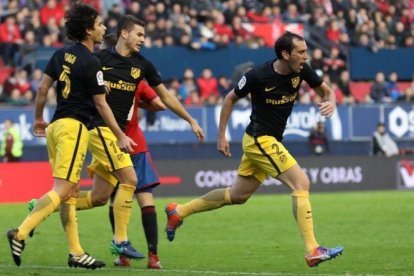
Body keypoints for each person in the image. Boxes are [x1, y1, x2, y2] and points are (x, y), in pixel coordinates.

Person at [165, 31, 344, 268]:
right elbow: (229, 99)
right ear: (285, 54)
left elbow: (327, 91)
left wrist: (331, 100)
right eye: (301, 52)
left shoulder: (302, 69)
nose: (305, 56)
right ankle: (312, 249)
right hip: (261, 139)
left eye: (306, 51)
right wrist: (221, 135)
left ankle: (179, 211)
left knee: (236, 196)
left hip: (264, 140)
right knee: (301, 183)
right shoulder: (257, 75)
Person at [6, 4, 135, 269]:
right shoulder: (92, 62)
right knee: (64, 189)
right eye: (99, 25)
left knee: (71, 192)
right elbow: (101, 105)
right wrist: (120, 134)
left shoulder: (61, 53)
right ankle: (19, 233)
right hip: (75, 127)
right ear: (88, 30)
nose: (104, 29)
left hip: (55, 126)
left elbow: (43, 88)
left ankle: (76, 253)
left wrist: (38, 118)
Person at [72, 16, 204, 265]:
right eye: (139, 35)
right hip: (104, 134)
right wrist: (95, 86)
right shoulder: (98, 61)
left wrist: (191, 120)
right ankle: (122, 245)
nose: (143, 39)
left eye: (144, 35)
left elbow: (163, 99)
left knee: (109, 196)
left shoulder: (142, 67)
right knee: (125, 187)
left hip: (127, 138)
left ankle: (54, 203)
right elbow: (74, 80)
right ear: (124, 33)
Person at [110, 80, 166, 269]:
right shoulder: (137, 80)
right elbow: (159, 105)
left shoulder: (104, 76)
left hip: (112, 145)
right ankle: (154, 257)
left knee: (114, 199)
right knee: (146, 200)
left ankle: (122, 255)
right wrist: (137, 101)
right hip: (135, 145)